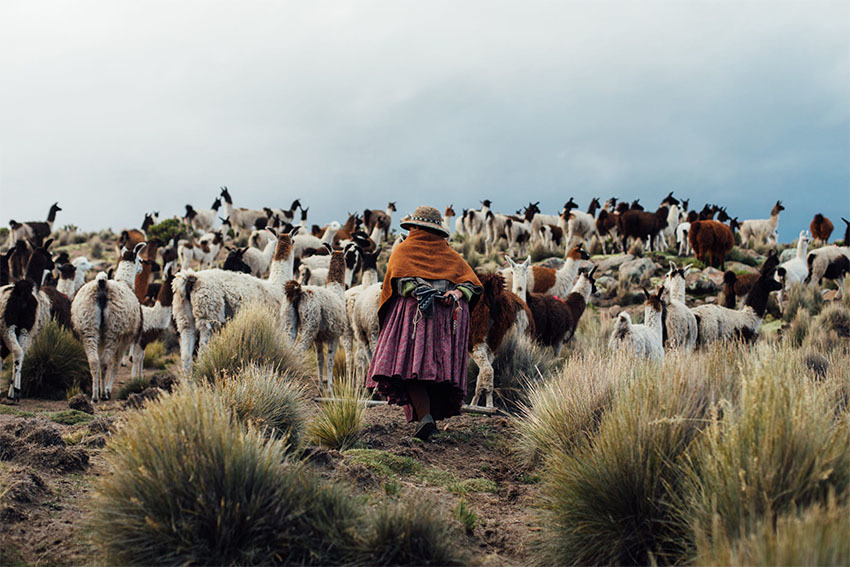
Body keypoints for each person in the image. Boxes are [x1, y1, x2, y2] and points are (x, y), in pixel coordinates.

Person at [366, 206, 481, 440]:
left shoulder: (403, 251)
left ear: (415, 228)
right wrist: (455, 295)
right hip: (446, 319)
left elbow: (398, 283)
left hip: (414, 317)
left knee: (410, 365)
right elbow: (471, 285)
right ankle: (427, 420)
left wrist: (419, 291)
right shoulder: (450, 255)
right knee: (434, 368)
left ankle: (426, 418)